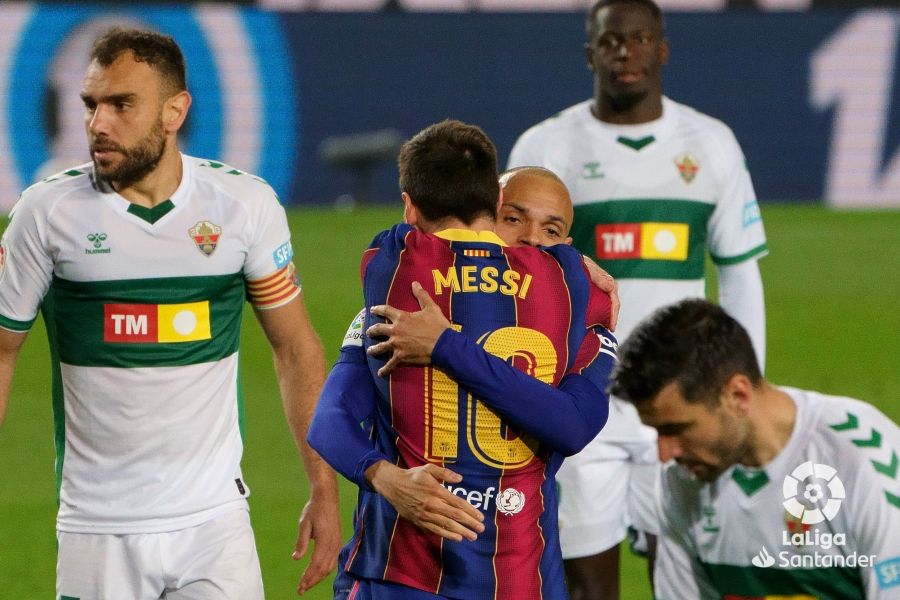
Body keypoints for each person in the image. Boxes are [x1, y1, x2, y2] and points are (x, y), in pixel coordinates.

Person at [0, 27, 341, 598]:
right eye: (91, 104)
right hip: (97, 529)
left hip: (214, 524)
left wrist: (323, 490)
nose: (97, 124)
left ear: (174, 110)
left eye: (121, 104)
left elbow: (295, 347)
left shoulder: (243, 207)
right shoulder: (45, 214)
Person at [507, 0, 768, 596]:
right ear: (590, 53)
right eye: (612, 41)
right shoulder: (547, 147)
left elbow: (739, 274)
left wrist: (746, 384)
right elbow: (512, 277)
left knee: (682, 579)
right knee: (585, 587)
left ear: (663, 50)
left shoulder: (711, 144)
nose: (627, 52)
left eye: (641, 39)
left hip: (681, 398)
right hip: (579, 398)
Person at [308, 120, 618, 599]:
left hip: (503, 576)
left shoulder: (397, 290)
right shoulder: (582, 295)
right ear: (490, 211)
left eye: (552, 231)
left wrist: (446, 346)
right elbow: (330, 417)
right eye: (516, 219)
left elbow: (574, 426)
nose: (534, 240)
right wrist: (385, 478)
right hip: (417, 571)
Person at [610, 298, 900, 599]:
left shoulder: (865, 463)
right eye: (657, 432)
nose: (664, 454)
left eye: (676, 430)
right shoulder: (681, 480)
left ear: (737, 395)